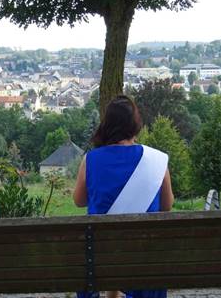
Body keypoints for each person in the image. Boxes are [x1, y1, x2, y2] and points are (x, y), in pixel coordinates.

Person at [73, 96, 174, 298]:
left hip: (99, 258)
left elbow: (79, 201)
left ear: (107, 125)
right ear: (135, 125)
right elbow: (167, 206)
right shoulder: (157, 160)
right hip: (145, 256)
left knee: (98, 251)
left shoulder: (90, 159)